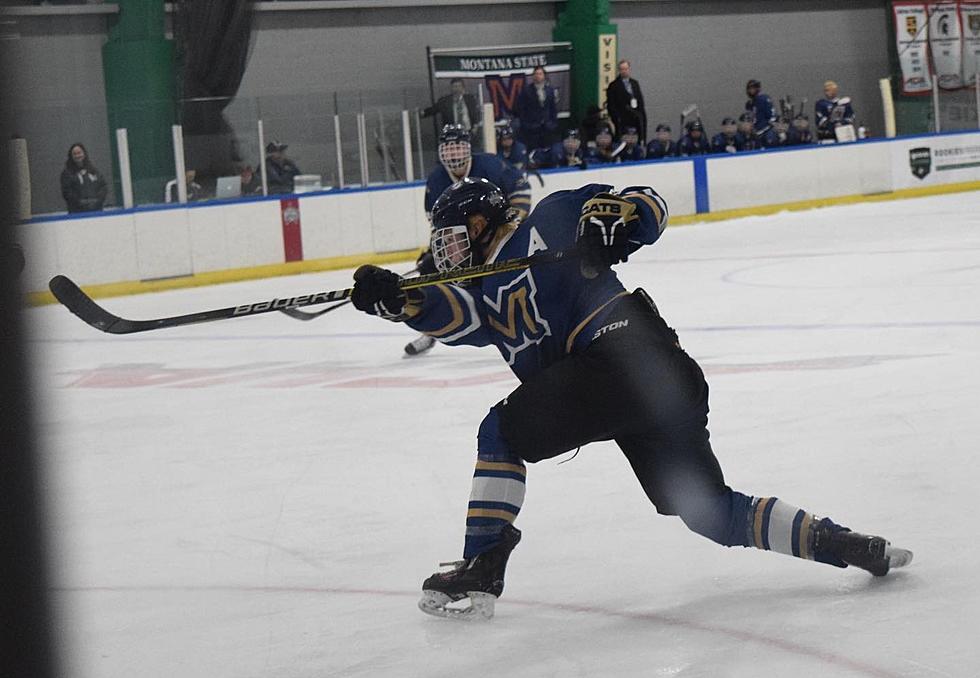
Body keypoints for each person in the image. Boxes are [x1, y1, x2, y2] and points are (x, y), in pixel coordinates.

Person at [348, 177, 913, 620]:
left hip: (620, 356)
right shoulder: (487, 288)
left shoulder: (552, 215)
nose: (444, 253)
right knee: (707, 512)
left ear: (478, 222)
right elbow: (457, 313)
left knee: (502, 433)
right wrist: (398, 301)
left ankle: (480, 565)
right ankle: (840, 542)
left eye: (448, 236)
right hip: (656, 381)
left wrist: (623, 219)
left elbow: (649, 205)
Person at [413, 124, 532, 358]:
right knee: (436, 268)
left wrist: (509, 228)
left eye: (458, 147)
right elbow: (439, 225)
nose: (454, 153)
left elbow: (521, 190)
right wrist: (435, 252)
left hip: (500, 232)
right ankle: (433, 329)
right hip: (468, 239)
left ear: (468, 148)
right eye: (448, 148)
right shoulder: (437, 178)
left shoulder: (490, 164)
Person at [514, 66, 558, 154]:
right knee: (533, 152)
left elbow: (553, 108)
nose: (538, 76)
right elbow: (521, 109)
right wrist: (526, 124)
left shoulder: (550, 90)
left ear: (544, 76)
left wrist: (553, 123)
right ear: (533, 76)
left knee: (548, 151)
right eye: (536, 74)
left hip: (547, 128)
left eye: (540, 74)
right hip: (532, 128)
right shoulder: (526, 90)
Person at [605, 59, 647, 142]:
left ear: (629, 69)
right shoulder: (613, 86)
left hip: (635, 118)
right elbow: (611, 105)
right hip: (622, 121)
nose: (624, 71)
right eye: (622, 69)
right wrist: (617, 118)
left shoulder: (635, 83)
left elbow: (640, 101)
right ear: (619, 70)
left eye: (626, 69)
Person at [60, 143, 107, 213]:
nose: (77, 156)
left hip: (96, 211)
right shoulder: (67, 173)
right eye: (74, 154)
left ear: (84, 153)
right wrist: (81, 203)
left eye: (79, 153)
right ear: (71, 156)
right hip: (77, 213)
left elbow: (103, 186)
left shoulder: (93, 170)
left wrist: (97, 201)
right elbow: (67, 193)